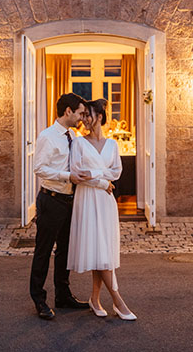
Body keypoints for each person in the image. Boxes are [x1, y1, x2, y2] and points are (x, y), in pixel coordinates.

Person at [67, 98, 137, 320]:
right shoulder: (78, 143)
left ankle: (95, 299)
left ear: (99, 116)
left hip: (106, 201)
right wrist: (101, 179)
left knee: (103, 249)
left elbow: (116, 172)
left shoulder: (112, 145)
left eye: (88, 115)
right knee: (99, 249)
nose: (84, 119)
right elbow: (78, 174)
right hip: (88, 199)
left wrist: (95, 175)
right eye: (83, 115)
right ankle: (118, 300)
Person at [30, 92, 90, 319]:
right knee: (43, 251)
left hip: (69, 200)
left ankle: (63, 296)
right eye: (80, 113)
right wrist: (68, 176)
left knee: (65, 250)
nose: (82, 117)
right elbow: (39, 169)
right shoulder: (47, 136)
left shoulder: (72, 135)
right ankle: (39, 300)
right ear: (68, 111)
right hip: (51, 199)